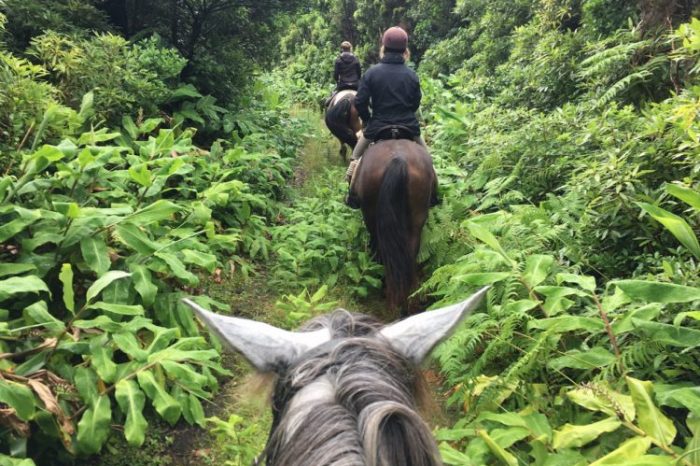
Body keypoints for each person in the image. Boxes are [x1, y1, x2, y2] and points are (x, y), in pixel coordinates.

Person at [345, 26, 431, 207]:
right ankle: (433, 195)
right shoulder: (412, 75)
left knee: (355, 158)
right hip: (408, 127)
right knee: (428, 160)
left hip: (378, 126)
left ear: (383, 48)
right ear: (405, 51)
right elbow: (415, 102)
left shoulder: (372, 73)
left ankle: (352, 195)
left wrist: (368, 121)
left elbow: (360, 101)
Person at [325, 41, 362, 107]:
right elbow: (359, 74)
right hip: (355, 85)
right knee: (367, 102)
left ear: (342, 49)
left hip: (342, 85)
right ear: (350, 49)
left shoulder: (338, 60)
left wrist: (337, 81)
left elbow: (336, 75)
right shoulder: (356, 60)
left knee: (328, 102)